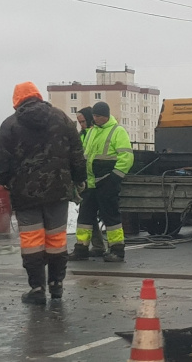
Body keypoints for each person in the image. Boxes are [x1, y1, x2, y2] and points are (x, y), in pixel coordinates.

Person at [0, 81, 86, 304]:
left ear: (16, 101)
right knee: (56, 239)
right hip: (58, 190)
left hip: (26, 194)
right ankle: (57, 284)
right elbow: (76, 152)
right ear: (38, 95)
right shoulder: (62, 118)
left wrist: (6, 181)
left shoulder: (10, 125)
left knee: (32, 240)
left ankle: (36, 288)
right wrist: (79, 178)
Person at [69, 101, 133, 262]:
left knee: (111, 218)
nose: (95, 119)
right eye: (94, 116)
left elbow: (126, 157)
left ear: (105, 116)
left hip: (106, 182)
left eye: (97, 116)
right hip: (90, 183)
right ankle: (81, 248)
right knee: (84, 217)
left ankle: (117, 250)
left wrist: (115, 178)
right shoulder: (91, 132)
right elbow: (85, 155)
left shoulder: (118, 131)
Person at [75, 106, 106, 257]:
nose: (81, 124)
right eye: (79, 122)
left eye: (82, 121)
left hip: (96, 181)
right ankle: (98, 245)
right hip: (86, 181)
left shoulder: (95, 134)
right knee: (88, 215)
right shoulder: (82, 135)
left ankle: (88, 247)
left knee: (87, 215)